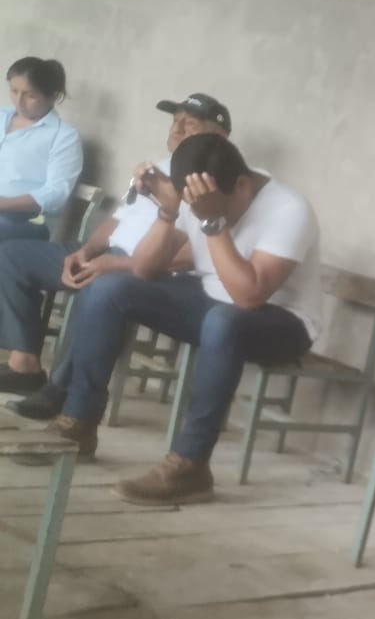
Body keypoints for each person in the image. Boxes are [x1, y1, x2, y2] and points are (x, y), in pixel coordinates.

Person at [32, 132, 321, 505]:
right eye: (191, 204)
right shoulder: (196, 195)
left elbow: (249, 297)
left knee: (224, 321)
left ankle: (190, 466)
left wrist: (212, 222)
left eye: (207, 206)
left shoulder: (288, 209)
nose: (196, 210)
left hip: (282, 321)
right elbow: (145, 269)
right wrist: (168, 212)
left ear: (243, 185)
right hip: (211, 300)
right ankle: (79, 422)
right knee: (108, 288)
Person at [0, 93, 232, 404]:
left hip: (151, 272)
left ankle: (64, 392)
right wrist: (86, 252)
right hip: (107, 255)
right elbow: (118, 218)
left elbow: (197, 253)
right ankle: (25, 366)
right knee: (11, 256)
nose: (177, 130)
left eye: (189, 125)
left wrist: (119, 265)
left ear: (220, 136)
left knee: (100, 288)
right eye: (175, 122)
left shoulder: (216, 183)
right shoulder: (157, 168)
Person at [0, 57, 81, 246]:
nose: (18, 102)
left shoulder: (63, 136)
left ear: (53, 96)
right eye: (14, 91)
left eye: (30, 96)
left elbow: (56, 193)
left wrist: (3, 204)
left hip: (22, 221)